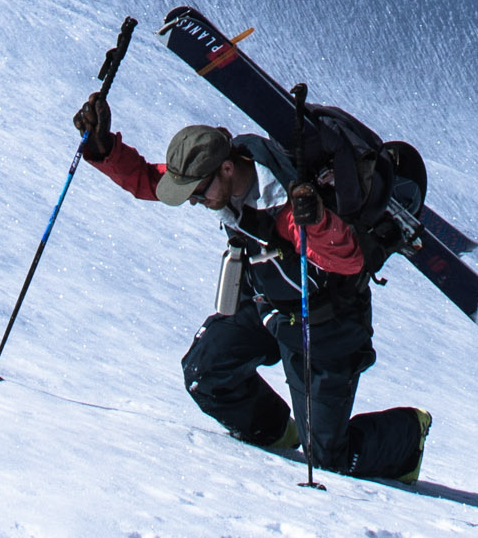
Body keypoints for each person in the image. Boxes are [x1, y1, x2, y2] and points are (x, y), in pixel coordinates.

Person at [73, 86, 430, 483]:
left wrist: (315, 222)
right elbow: (150, 181)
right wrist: (105, 149)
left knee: (330, 456)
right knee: (204, 374)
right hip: (267, 306)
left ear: (227, 168)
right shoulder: (220, 185)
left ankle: (408, 437)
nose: (194, 201)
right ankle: (278, 433)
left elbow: (349, 260)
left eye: (197, 192)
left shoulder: (286, 204)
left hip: (327, 322)